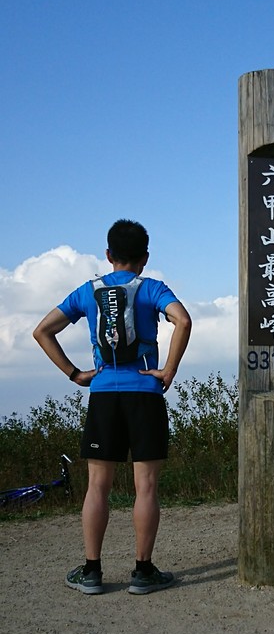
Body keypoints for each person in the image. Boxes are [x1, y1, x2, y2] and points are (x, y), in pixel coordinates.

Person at [33, 219, 192, 596]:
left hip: (103, 393)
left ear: (108, 255)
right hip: (145, 394)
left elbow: (42, 331)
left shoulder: (88, 292)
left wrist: (75, 373)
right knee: (146, 487)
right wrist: (168, 370)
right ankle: (143, 571)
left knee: (97, 487)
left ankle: (91, 572)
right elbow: (183, 320)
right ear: (145, 257)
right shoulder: (152, 288)